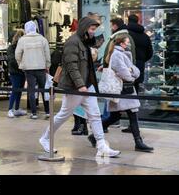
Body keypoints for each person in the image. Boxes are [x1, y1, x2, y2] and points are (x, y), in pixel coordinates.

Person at [39, 17, 121, 158]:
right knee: (63, 115)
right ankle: (45, 138)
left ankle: (101, 145)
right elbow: (71, 66)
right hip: (76, 87)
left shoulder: (83, 42)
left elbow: (86, 63)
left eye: (94, 29)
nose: (93, 32)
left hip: (86, 86)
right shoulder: (73, 42)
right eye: (92, 29)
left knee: (95, 115)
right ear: (85, 28)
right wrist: (80, 85)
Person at [88, 35, 154, 153]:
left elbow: (135, 70)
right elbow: (124, 72)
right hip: (122, 89)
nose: (128, 44)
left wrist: (131, 71)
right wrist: (131, 75)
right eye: (127, 42)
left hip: (125, 89)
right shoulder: (118, 54)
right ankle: (138, 142)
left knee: (118, 116)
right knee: (129, 115)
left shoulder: (123, 53)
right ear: (122, 43)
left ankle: (94, 136)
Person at [15, 21, 51, 119]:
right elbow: (47, 54)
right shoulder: (43, 39)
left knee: (31, 90)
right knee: (44, 89)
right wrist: (47, 65)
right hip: (41, 67)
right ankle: (47, 111)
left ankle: (34, 113)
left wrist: (21, 64)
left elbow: (17, 54)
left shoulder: (22, 40)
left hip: (28, 68)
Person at [127, 14, 153, 93]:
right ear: (138, 21)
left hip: (126, 65)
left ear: (128, 21)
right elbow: (150, 53)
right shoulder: (145, 36)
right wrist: (141, 60)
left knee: (125, 90)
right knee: (136, 88)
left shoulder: (125, 34)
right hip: (139, 65)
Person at [7, 29, 27, 118]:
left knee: (19, 91)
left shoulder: (24, 47)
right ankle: (10, 109)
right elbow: (12, 60)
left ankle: (16, 108)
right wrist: (21, 64)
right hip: (15, 72)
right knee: (15, 90)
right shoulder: (11, 48)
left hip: (22, 71)